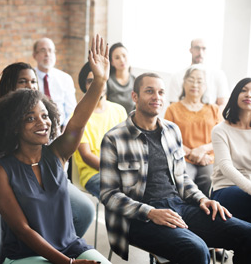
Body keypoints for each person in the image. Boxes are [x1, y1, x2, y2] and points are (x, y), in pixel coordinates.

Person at [100, 72, 251, 263]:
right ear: (135, 96)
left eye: (161, 92)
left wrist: (202, 199)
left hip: (179, 206)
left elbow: (183, 177)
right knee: (196, 250)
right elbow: (109, 194)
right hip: (138, 218)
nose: (157, 97)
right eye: (149, 91)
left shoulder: (172, 131)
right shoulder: (114, 138)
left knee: (247, 234)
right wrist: (150, 212)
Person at [0, 35, 111, 264]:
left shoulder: (57, 154)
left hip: (71, 246)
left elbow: (77, 123)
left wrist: (99, 81)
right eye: (30, 118)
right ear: (14, 126)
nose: (42, 123)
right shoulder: (0, 172)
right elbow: (23, 230)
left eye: (45, 116)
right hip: (27, 256)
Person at [0, 62, 95, 238]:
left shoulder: (44, 116)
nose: (30, 86)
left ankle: (59, 246)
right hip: (2, 187)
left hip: (44, 181)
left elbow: (57, 156)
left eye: (33, 81)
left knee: (84, 211)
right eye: (23, 81)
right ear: (9, 86)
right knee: (35, 219)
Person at [164, 65, 222, 196]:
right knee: (184, 181)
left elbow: (221, 138)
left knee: (210, 180)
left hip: (208, 158)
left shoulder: (214, 109)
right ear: (184, 82)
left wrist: (202, 151)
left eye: (199, 81)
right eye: (191, 80)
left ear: (206, 86)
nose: (195, 84)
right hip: (182, 157)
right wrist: (192, 153)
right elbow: (168, 138)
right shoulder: (173, 109)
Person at [73, 63, 127, 199]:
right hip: (94, 174)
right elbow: (86, 155)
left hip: (121, 170)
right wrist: (115, 170)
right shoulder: (79, 116)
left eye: (99, 80)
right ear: (84, 85)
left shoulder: (119, 110)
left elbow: (128, 145)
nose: (96, 85)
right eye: (91, 81)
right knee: (123, 198)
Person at [211, 77, 251, 223]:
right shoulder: (220, 130)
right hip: (226, 189)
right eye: (243, 90)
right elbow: (226, 167)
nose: (248, 95)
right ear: (235, 96)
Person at [168, 38, 229, 108]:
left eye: (204, 49)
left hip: (212, 118)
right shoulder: (177, 76)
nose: (200, 52)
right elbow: (173, 107)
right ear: (191, 50)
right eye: (197, 48)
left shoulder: (219, 75)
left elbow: (223, 104)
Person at [33, 37, 77, 128]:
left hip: (60, 130)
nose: (47, 54)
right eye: (42, 50)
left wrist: (65, 129)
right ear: (35, 55)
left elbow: (71, 110)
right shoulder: (30, 78)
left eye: (50, 51)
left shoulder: (65, 78)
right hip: (36, 128)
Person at [106, 42, 136, 113]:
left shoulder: (135, 81)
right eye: (117, 58)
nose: (122, 60)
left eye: (124, 56)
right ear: (112, 62)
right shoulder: (108, 81)